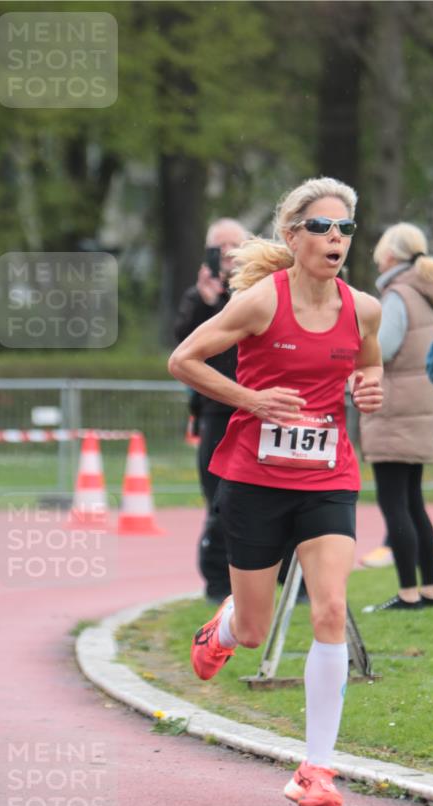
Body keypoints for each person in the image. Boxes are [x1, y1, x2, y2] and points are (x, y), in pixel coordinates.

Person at [168, 177, 383, 806]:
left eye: (344, 228)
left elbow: (368, 363)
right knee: (258, 629)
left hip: (327, 478)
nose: (335, 238)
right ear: (292, 237)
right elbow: (184, 359)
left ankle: (316, 770)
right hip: (254, 479)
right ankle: (228, 626)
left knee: (330, 610)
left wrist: (369, 389)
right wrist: (251, 399)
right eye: (320, 227)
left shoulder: (364, 308)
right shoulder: (262, 302)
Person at [359, 223, 433, 611]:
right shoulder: (426, 293)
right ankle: (431, 588)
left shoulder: (397, 294)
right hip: (420, 408)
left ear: (390, 255)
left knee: (394, 503)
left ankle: (408, 593)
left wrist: (357, 345)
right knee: (414, 502)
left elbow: (385, 347)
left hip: (394, 410)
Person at [174, 219, 249, 602]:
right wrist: (206, 303)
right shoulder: (197, 297)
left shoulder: (256, 293)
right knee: (218, 498)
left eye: (234, 245)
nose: (227, 254)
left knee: (268, 498)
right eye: (219, 247)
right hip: (215, 410)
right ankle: (217, 583)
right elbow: (183, 345)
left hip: (255, 406)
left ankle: (282, 579)